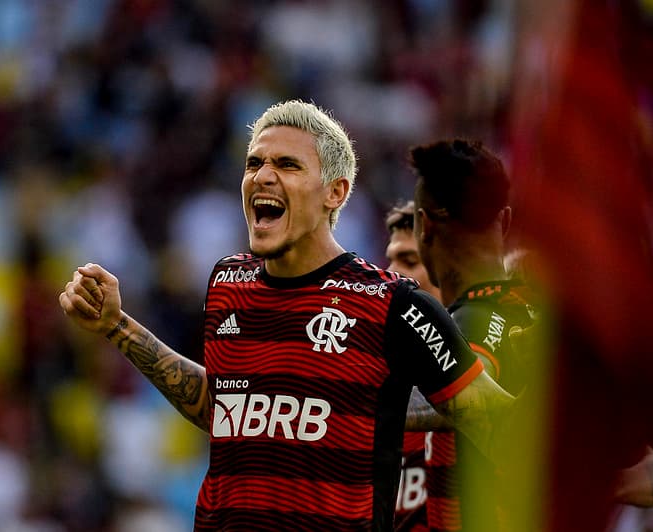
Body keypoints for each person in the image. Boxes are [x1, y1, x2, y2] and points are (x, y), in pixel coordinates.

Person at [59, 100, 514, 531]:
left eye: (288, 165)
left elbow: (497, 422)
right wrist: (118, 327)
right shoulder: (227, 284)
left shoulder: (393, 304)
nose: (263, 177)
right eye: (255, 163)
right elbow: (218, 407)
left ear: (335, 193)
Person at [411, 138, 653, 532]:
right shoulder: (539, 319)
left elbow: (456, 383)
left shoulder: (471, 326)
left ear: (425, 224)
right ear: (503, 221)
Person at [384, 200, 440, 532]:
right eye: (390, 258)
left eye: (409, 260)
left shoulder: (491, 369)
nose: (392, 274)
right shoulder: (370, 366)